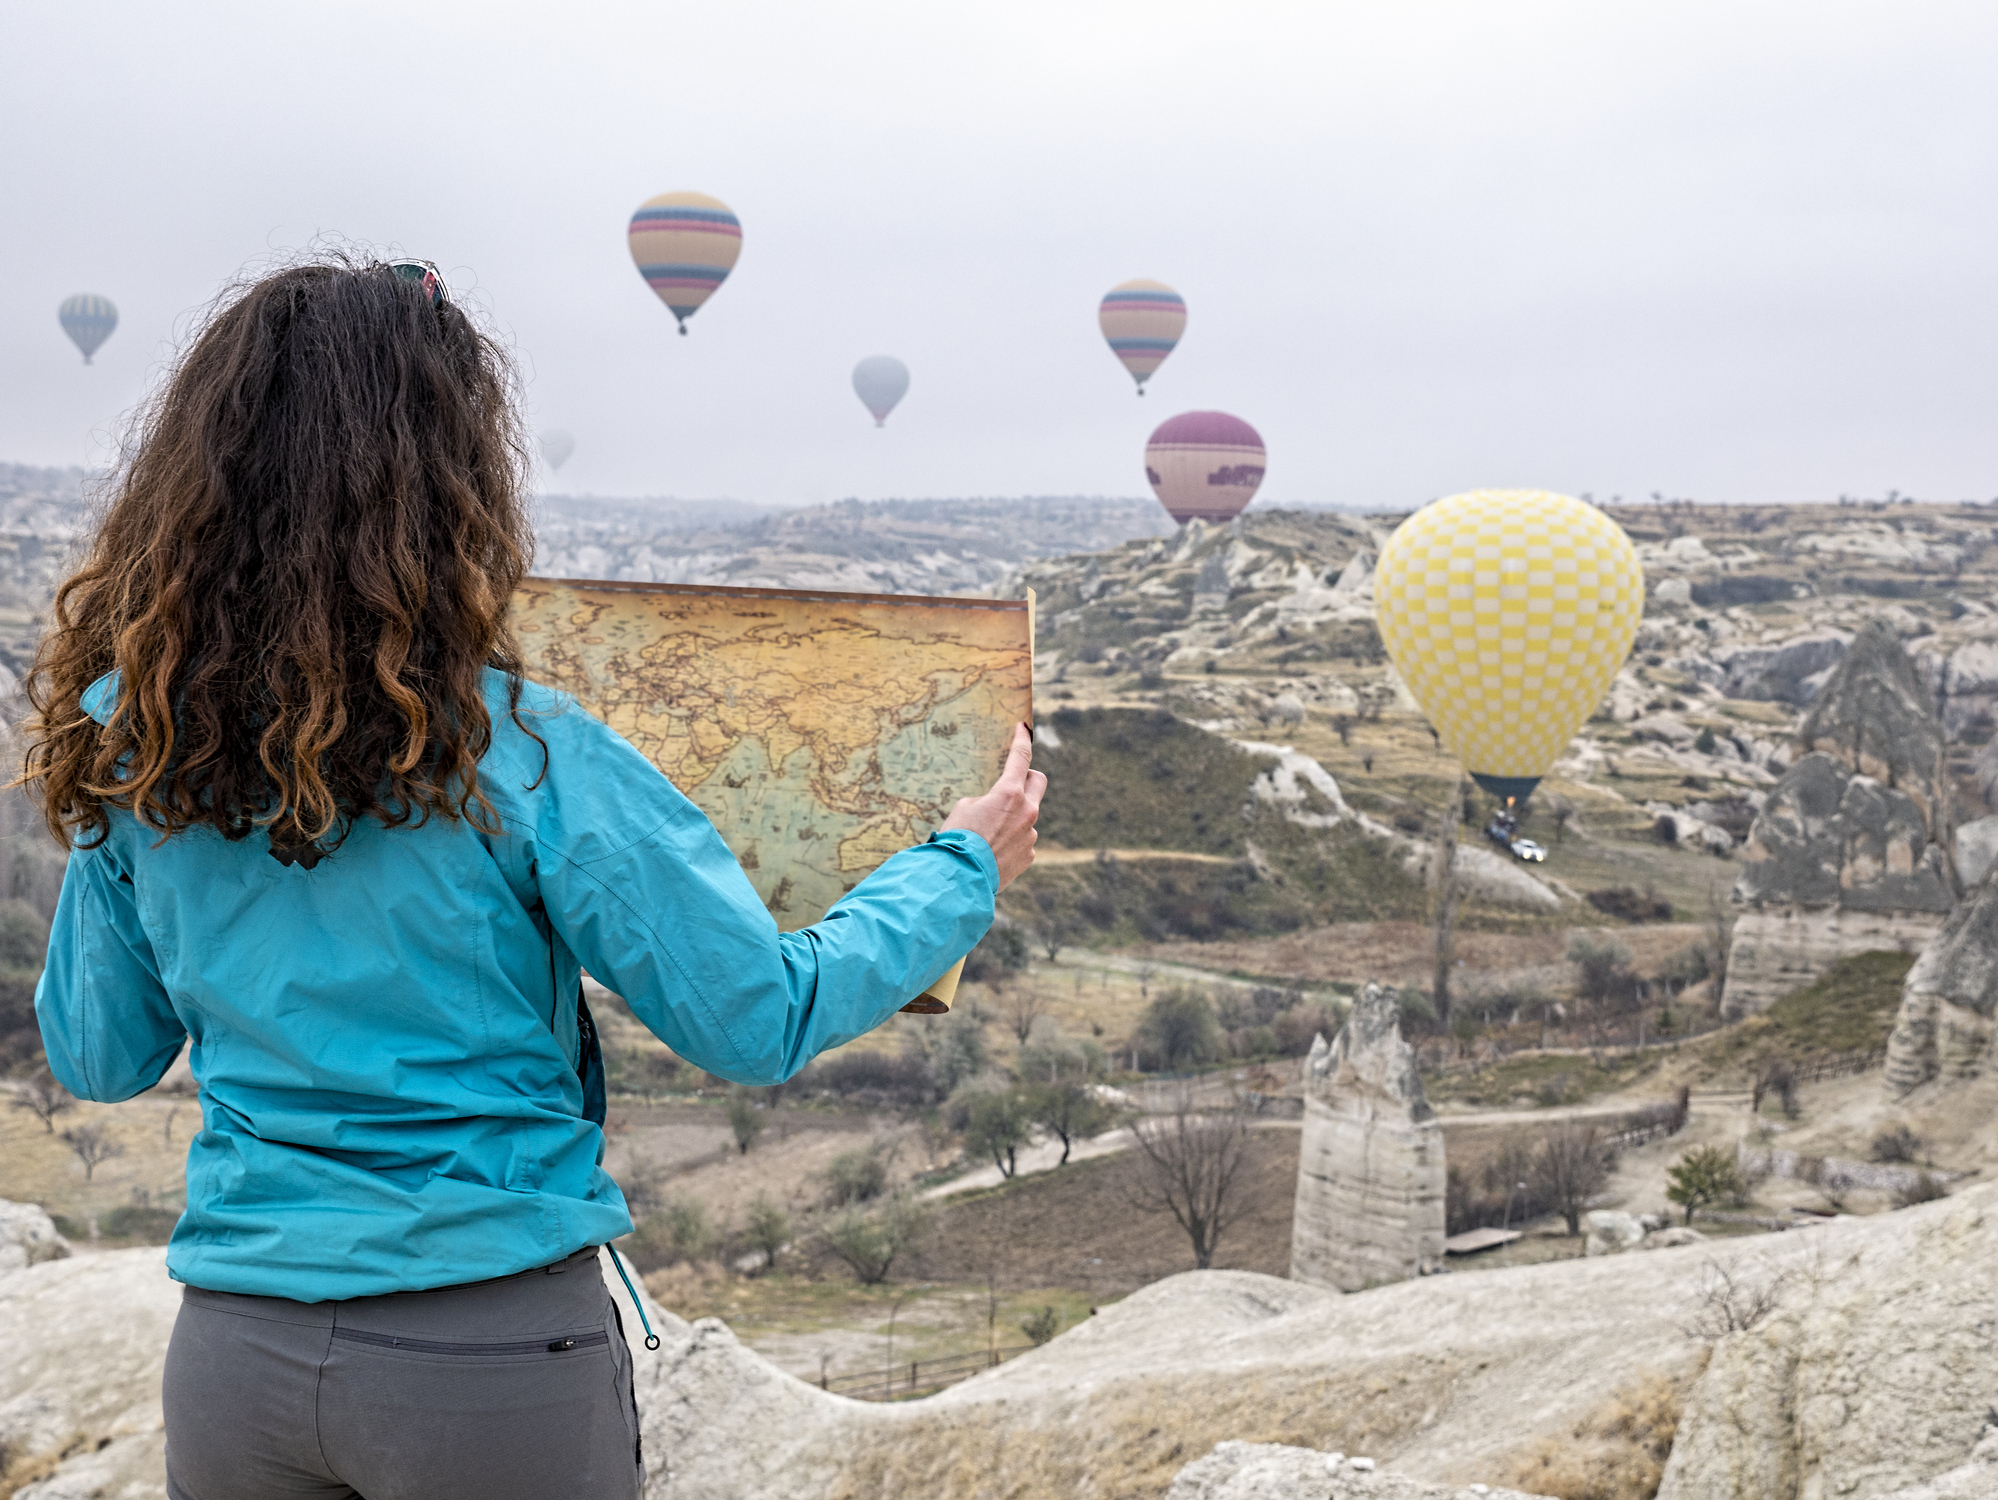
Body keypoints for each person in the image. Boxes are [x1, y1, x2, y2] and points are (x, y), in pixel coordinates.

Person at [24, 257, 1044, 1500]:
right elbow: (753, 1018)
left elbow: (95, 1053)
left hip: (238, 1356)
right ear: (453, 486)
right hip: (485, 1360)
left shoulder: (140, 747)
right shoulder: (518, 751)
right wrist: (958, 869)